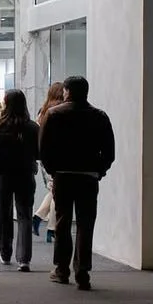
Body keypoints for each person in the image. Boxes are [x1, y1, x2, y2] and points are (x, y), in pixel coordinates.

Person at [39, 76, 116, 291]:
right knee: (85, 223)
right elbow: (109, 152)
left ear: (66, 91)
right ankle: (83, 272)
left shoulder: (54, 114)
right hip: (88, 177)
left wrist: (53, 170)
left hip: (63, 175)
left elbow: (43, 148)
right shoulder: (99, 116)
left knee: (62, 222)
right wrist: (99, 171)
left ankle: (61, 270)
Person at [0, 89, 40, 272]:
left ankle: (5, 253)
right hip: (26, 176)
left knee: (5, 215)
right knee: (25, 216)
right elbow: (39, 153)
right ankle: (24, 259)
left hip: (3, 176)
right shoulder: (32, 127)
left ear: (7, 103)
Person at [33, 82, 66, 243]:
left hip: (44, 157)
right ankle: (52, 228)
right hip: (59, 157)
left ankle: (39, 216)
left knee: (54, 190)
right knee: (57, 192)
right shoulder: (61, 111)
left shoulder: (43, 111)